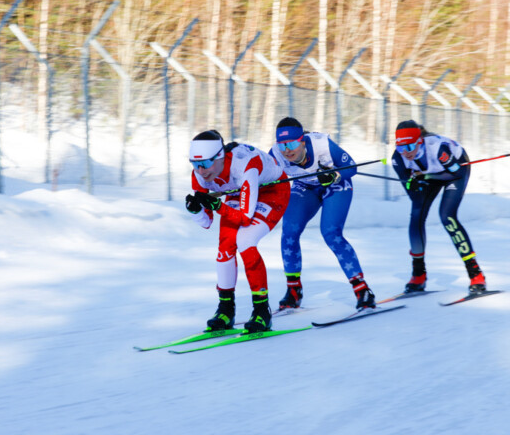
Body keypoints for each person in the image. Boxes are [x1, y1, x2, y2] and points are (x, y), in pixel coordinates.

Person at [186, 130, 290, 333]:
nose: (201, 171)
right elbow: (206, 222)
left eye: (206, 164)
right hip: (238, 191)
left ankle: (262, 311)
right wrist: (195, 210)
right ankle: (225, 310)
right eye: (195, 164)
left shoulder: (244, 165)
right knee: (225, 247)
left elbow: (244, 217)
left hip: (272, 191)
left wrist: (217, 206)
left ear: (220, 157)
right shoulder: (200, 175)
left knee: (245, 240)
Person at [269, 117, 376, 311]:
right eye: (282, 145)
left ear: (303, 140)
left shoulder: (321, 143)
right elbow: (262, 179)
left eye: (292, 143)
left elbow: (351, 167)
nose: (287, 150)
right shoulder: (275, 154)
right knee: (289, 231)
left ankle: (362, 290)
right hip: (306, 186)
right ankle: (293, 291)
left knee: (330, 233)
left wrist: (334, 175)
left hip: (334, 184)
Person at [391, 120, 487, 294]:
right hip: (429, 175)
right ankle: (418, 275)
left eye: (410, 146)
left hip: (453, 173)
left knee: (447, 216)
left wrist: (425, 177)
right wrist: (413, 185)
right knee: (417, 214)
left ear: (419, 140)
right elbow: (414, 196)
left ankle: (476, 274)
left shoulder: (438, 149)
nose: (406, 153)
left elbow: (456, 172)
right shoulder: (398, 160)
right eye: (400, 148)